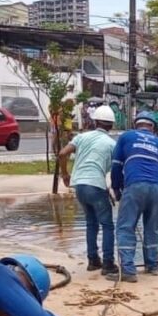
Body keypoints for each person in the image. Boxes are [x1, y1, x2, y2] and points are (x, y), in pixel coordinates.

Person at [107, 111, 158, 283]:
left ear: (136, 124)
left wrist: (117, 188)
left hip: (135, 185)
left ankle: (127, 270)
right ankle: (153, 266)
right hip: (156, 188)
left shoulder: (127, 137)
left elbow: (117, 165)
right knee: (152, 228)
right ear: (153, 127)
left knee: (125, 227)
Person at [59, 105, 119, 275]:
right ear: (112, 125)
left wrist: (65, 175)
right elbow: (113, 170)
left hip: (79, 186)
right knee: (107, 225)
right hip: (95, 185)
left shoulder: (81, 137)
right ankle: (108, 264)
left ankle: (93, 261)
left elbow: (63, 154)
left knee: (91, 223)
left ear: (95, 122)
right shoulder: (112, 144)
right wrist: (114, 189)